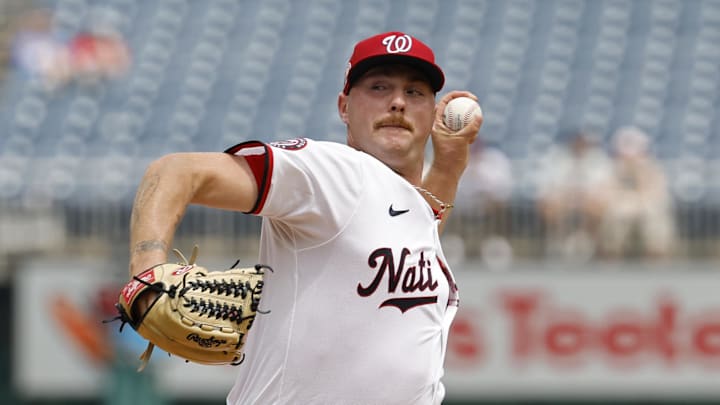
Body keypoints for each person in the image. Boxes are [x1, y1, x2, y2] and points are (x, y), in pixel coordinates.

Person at [127, 31, 482, 404]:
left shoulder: (400, 203)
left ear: (432, 112)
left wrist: (450, 162)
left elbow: (404, 234)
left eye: (414, 92)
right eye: (379, 87)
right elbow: (176, 171)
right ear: (344, 107)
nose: (397, 102)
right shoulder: (331, 172)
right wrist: (146, 274)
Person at [598, 126, 675, 259]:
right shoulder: (610, 168)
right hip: (620, 205)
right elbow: (606, 193)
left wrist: (639, 176)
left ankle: (656, 256)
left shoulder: (653, 167)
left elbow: (657, 193)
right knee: (615, 216)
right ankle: (611, 256)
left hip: (646, 205)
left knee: (655, 217)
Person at [535, 130, 613, 260]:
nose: (579, 146)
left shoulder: (598, 160)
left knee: (596, 209)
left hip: (587, 201)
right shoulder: (557, 159)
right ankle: (557, 243)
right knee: (550, 208)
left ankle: (591, 245)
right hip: (564, 200)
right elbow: (548, 188)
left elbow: (602, 190)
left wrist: (582, 198)